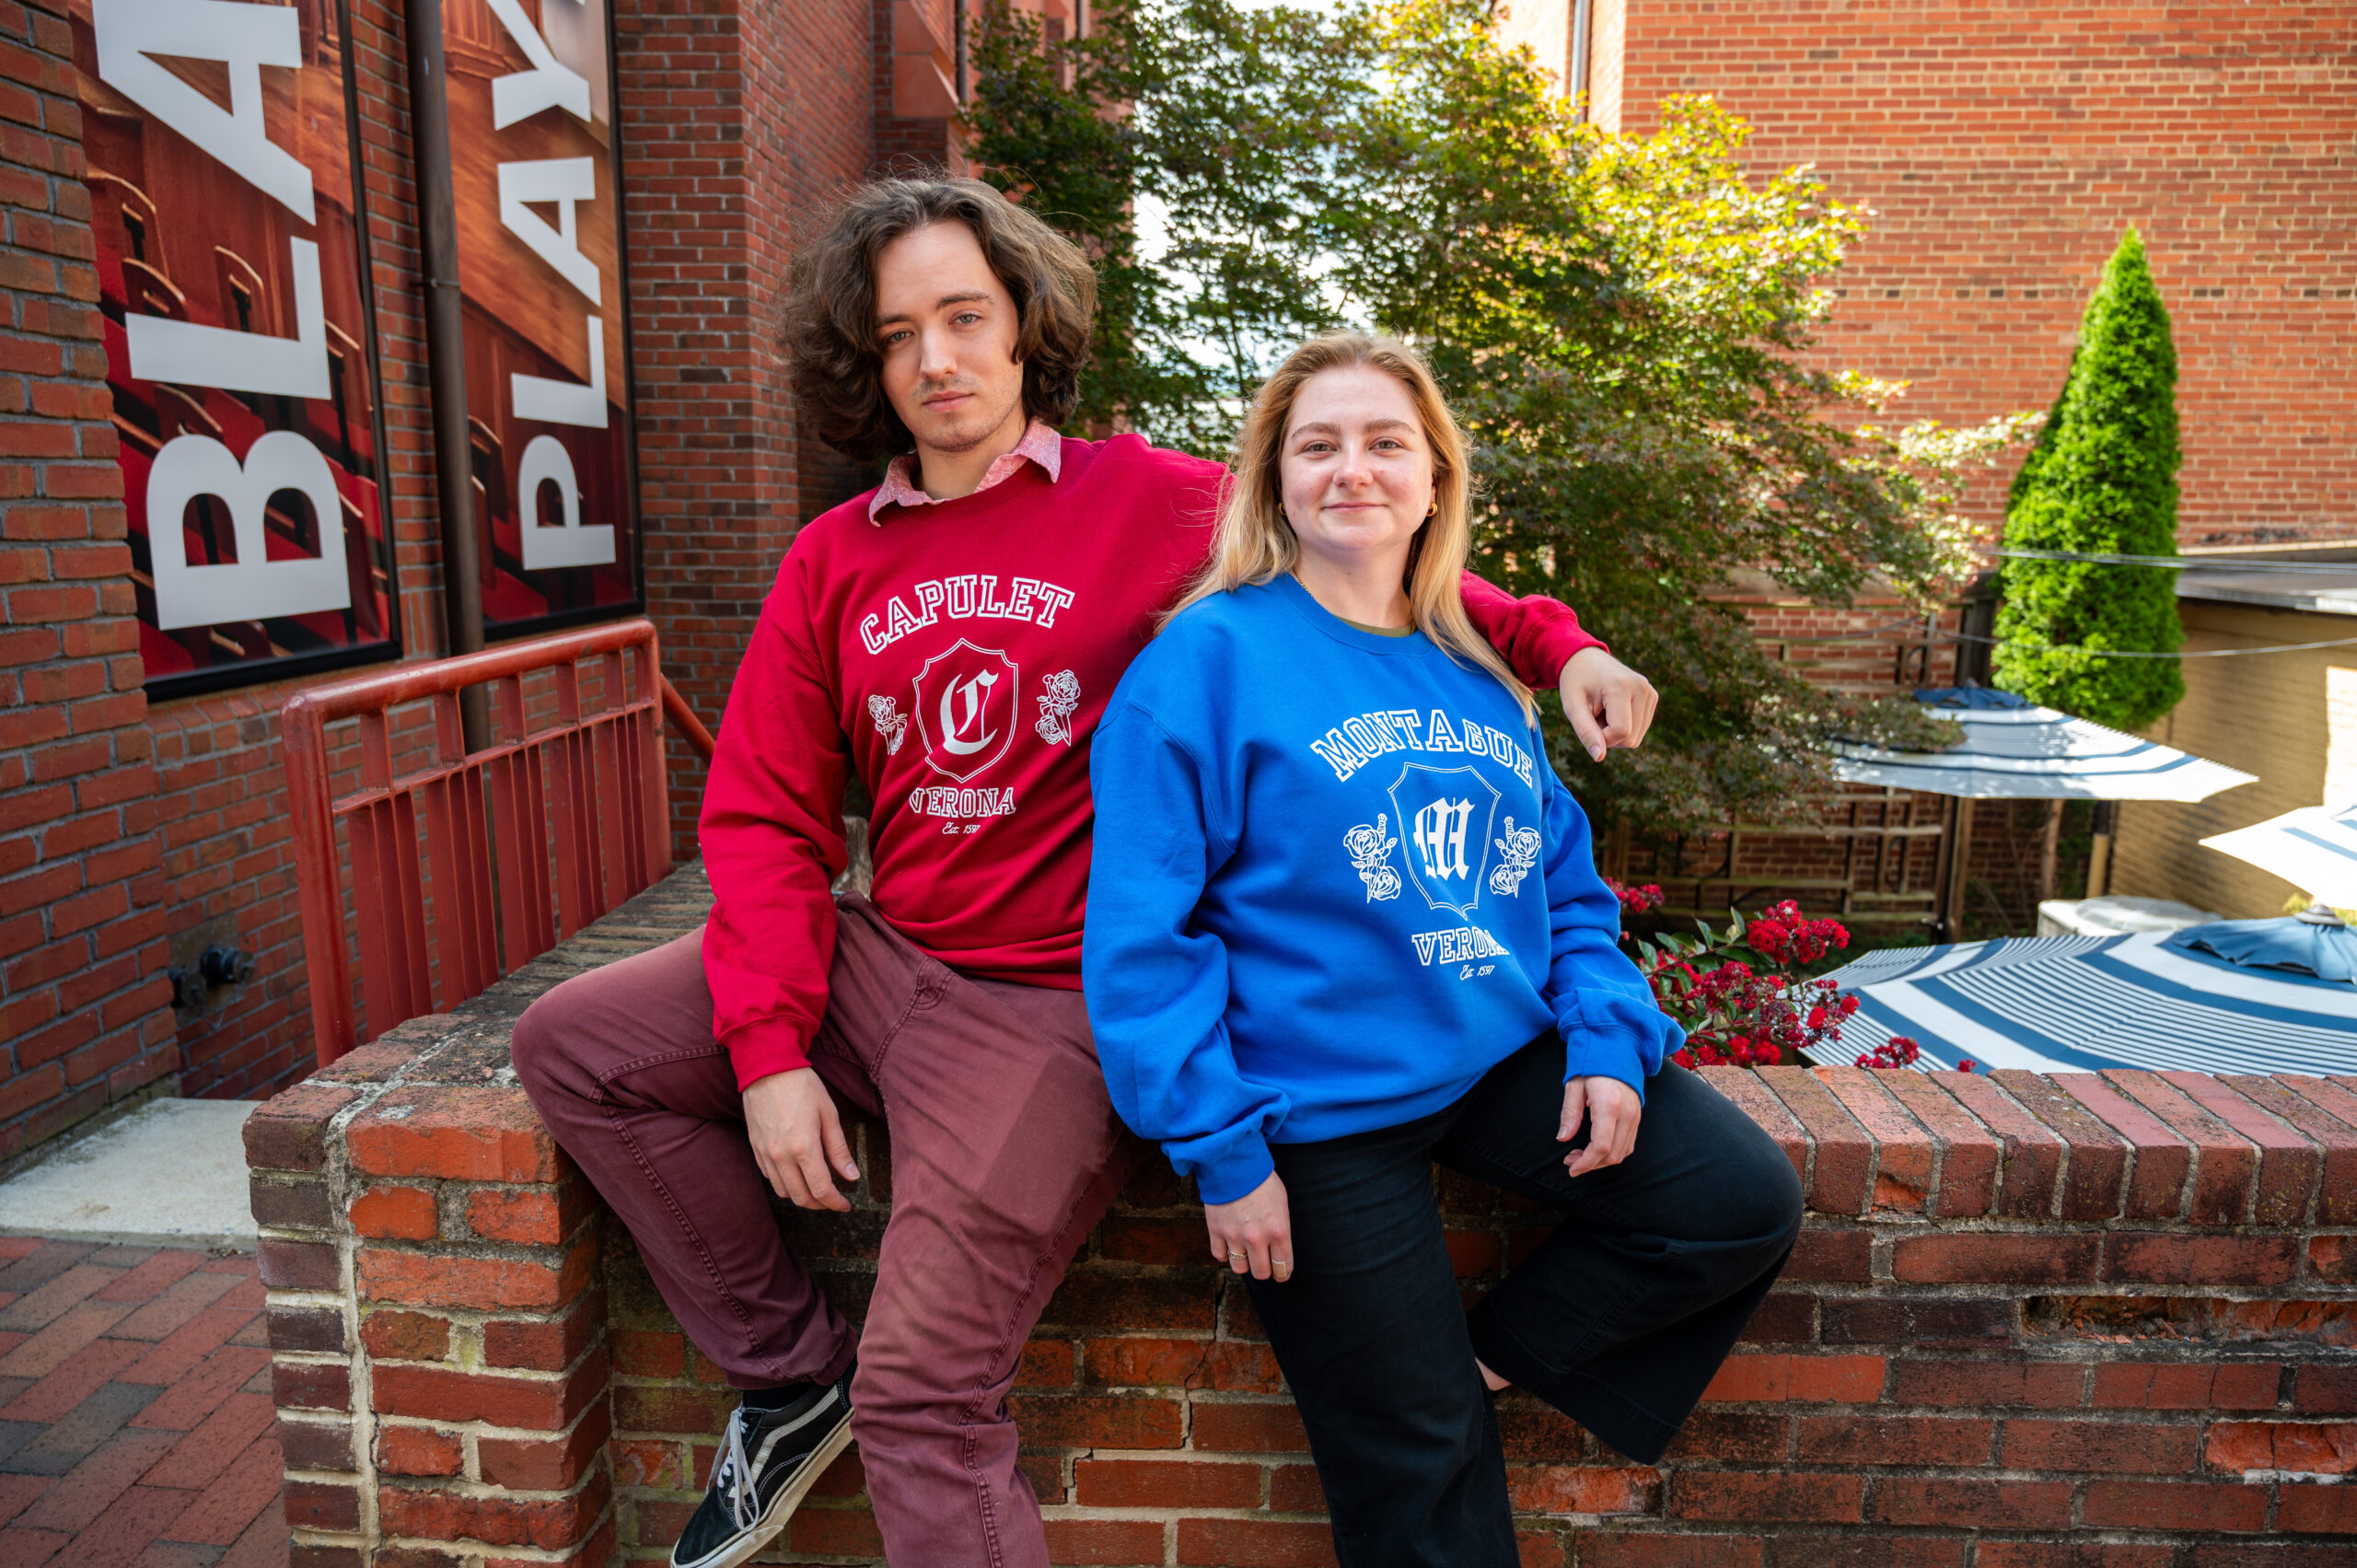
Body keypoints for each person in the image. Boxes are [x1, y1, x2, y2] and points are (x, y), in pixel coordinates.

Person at [510, 178, 1661, 1568]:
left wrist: (1559, 644)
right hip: (886, 957)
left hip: (1053, 1006)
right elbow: (764, 819)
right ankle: (787, 1371)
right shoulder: (832, 561)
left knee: (927, 1394)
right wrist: (765, 1049)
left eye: (965, 317)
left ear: (1023, 328)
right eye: (896, 334)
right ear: (863, 362)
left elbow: (1377, 564)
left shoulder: (1157, 503)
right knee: (574, 1045)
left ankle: (864, 1393)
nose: (935, 360)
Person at [1082, 332, 1805, 1568]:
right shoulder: (1206, 659)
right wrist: (1216, 1143)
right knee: (1423, 1478)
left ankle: (1463, 1364)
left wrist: (1606, 1039)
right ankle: (1414, 1394)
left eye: (1384, 444)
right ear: (1276, 480)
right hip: (1315, 1115)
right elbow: (1145, 931)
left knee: (1737, 1200)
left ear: (1434, 479)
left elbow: (1567, 893)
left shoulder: (1475, 673)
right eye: (1318, 445)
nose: (1351, 470)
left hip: (1490, 1061)